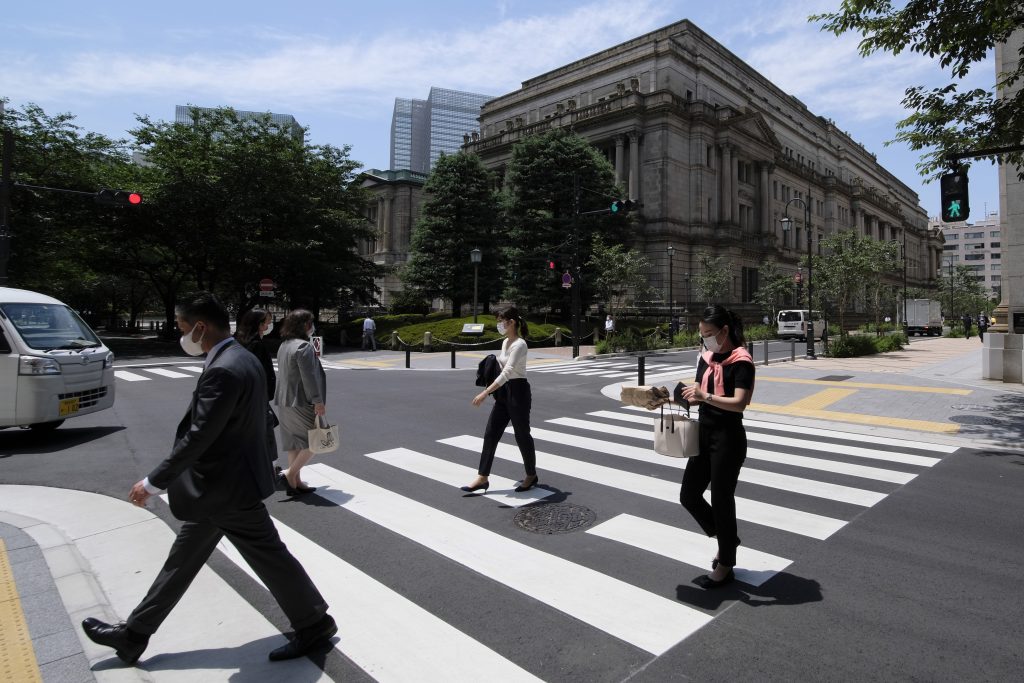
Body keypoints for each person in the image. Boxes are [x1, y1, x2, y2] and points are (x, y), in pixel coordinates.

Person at [80, 292, 335, 665]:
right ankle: (134, 634)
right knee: (186, 560)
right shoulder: (241, 358)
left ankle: (313, 622)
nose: (182, 335)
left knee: (266, 556)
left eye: (184, 328)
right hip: (229, 483)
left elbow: (200, 434)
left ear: (201, 327)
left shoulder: (224, 368)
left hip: (223, 486)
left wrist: (154, 481)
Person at [680, 305, 755, 589]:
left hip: (728, 437)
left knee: (723, 500)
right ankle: (727, 539)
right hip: (703, 433)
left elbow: (739, 402)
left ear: (724, 331)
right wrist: (674, 397)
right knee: (688, 495)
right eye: (702, 334)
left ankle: (726, 563)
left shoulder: (741, 360)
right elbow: (697, 392)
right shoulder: (706, 357)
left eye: (709, 334)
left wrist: (705, 396)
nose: (705, 340)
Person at [462, 307, 539, 494]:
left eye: (501, 320)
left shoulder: (519, 344)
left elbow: (508, 372)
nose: (499, 324)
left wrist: (484, 393)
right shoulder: (505, 342)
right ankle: (482, 477)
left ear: (511, 322)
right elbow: (501, 366)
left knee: (522, 435)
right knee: (491, 433)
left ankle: (531, 475)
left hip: (518, 392)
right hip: (504, 393)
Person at [275, 309, 327, 496]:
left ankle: (294, 482)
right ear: (305, 325)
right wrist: (318, 401)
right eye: (311, 323)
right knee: (313, 442)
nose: (312, 326)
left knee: (294, 442)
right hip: (302, 400)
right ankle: (288, 473)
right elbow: (309, 378)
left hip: (284, 399)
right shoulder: (304, 347)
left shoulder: (285, 345)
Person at [235, 308, 278, 466]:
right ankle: (267, 468)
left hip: (246, 395)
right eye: (267, 322)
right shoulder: (256, 344)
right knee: (265, 431)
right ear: (259, 324)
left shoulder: (239, 340)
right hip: (257, 396)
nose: (269, 325)